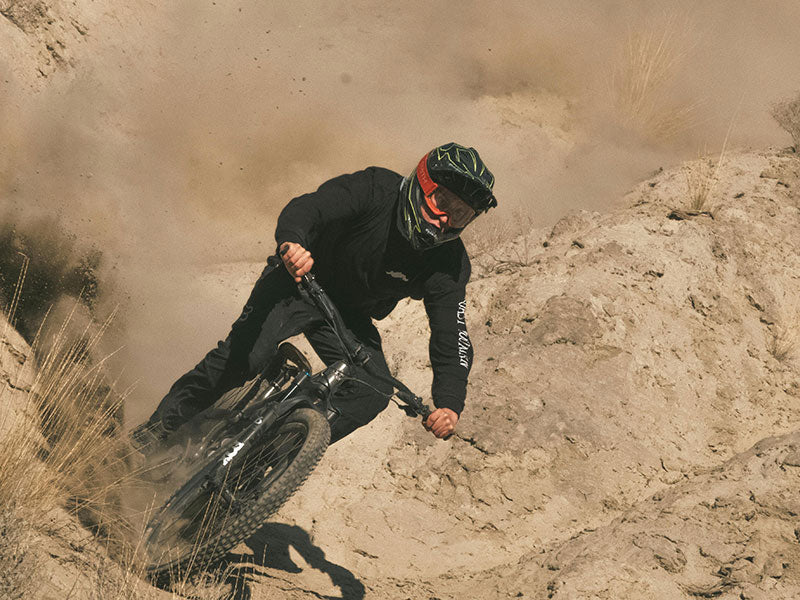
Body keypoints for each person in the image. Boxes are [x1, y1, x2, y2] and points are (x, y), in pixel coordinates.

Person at [131, 142, 496, 449]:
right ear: (421, 184)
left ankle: (260, 465)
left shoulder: (448, 264)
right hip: (299, 280)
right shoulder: (375, 189)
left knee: (372, 394)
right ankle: (151, 435)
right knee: (245, 357)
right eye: (442, 202)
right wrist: (293, 242)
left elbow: (452, 334)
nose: (446, 219)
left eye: (461, 214)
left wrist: (449, 403)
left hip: (349, 316)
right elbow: (311, 207)